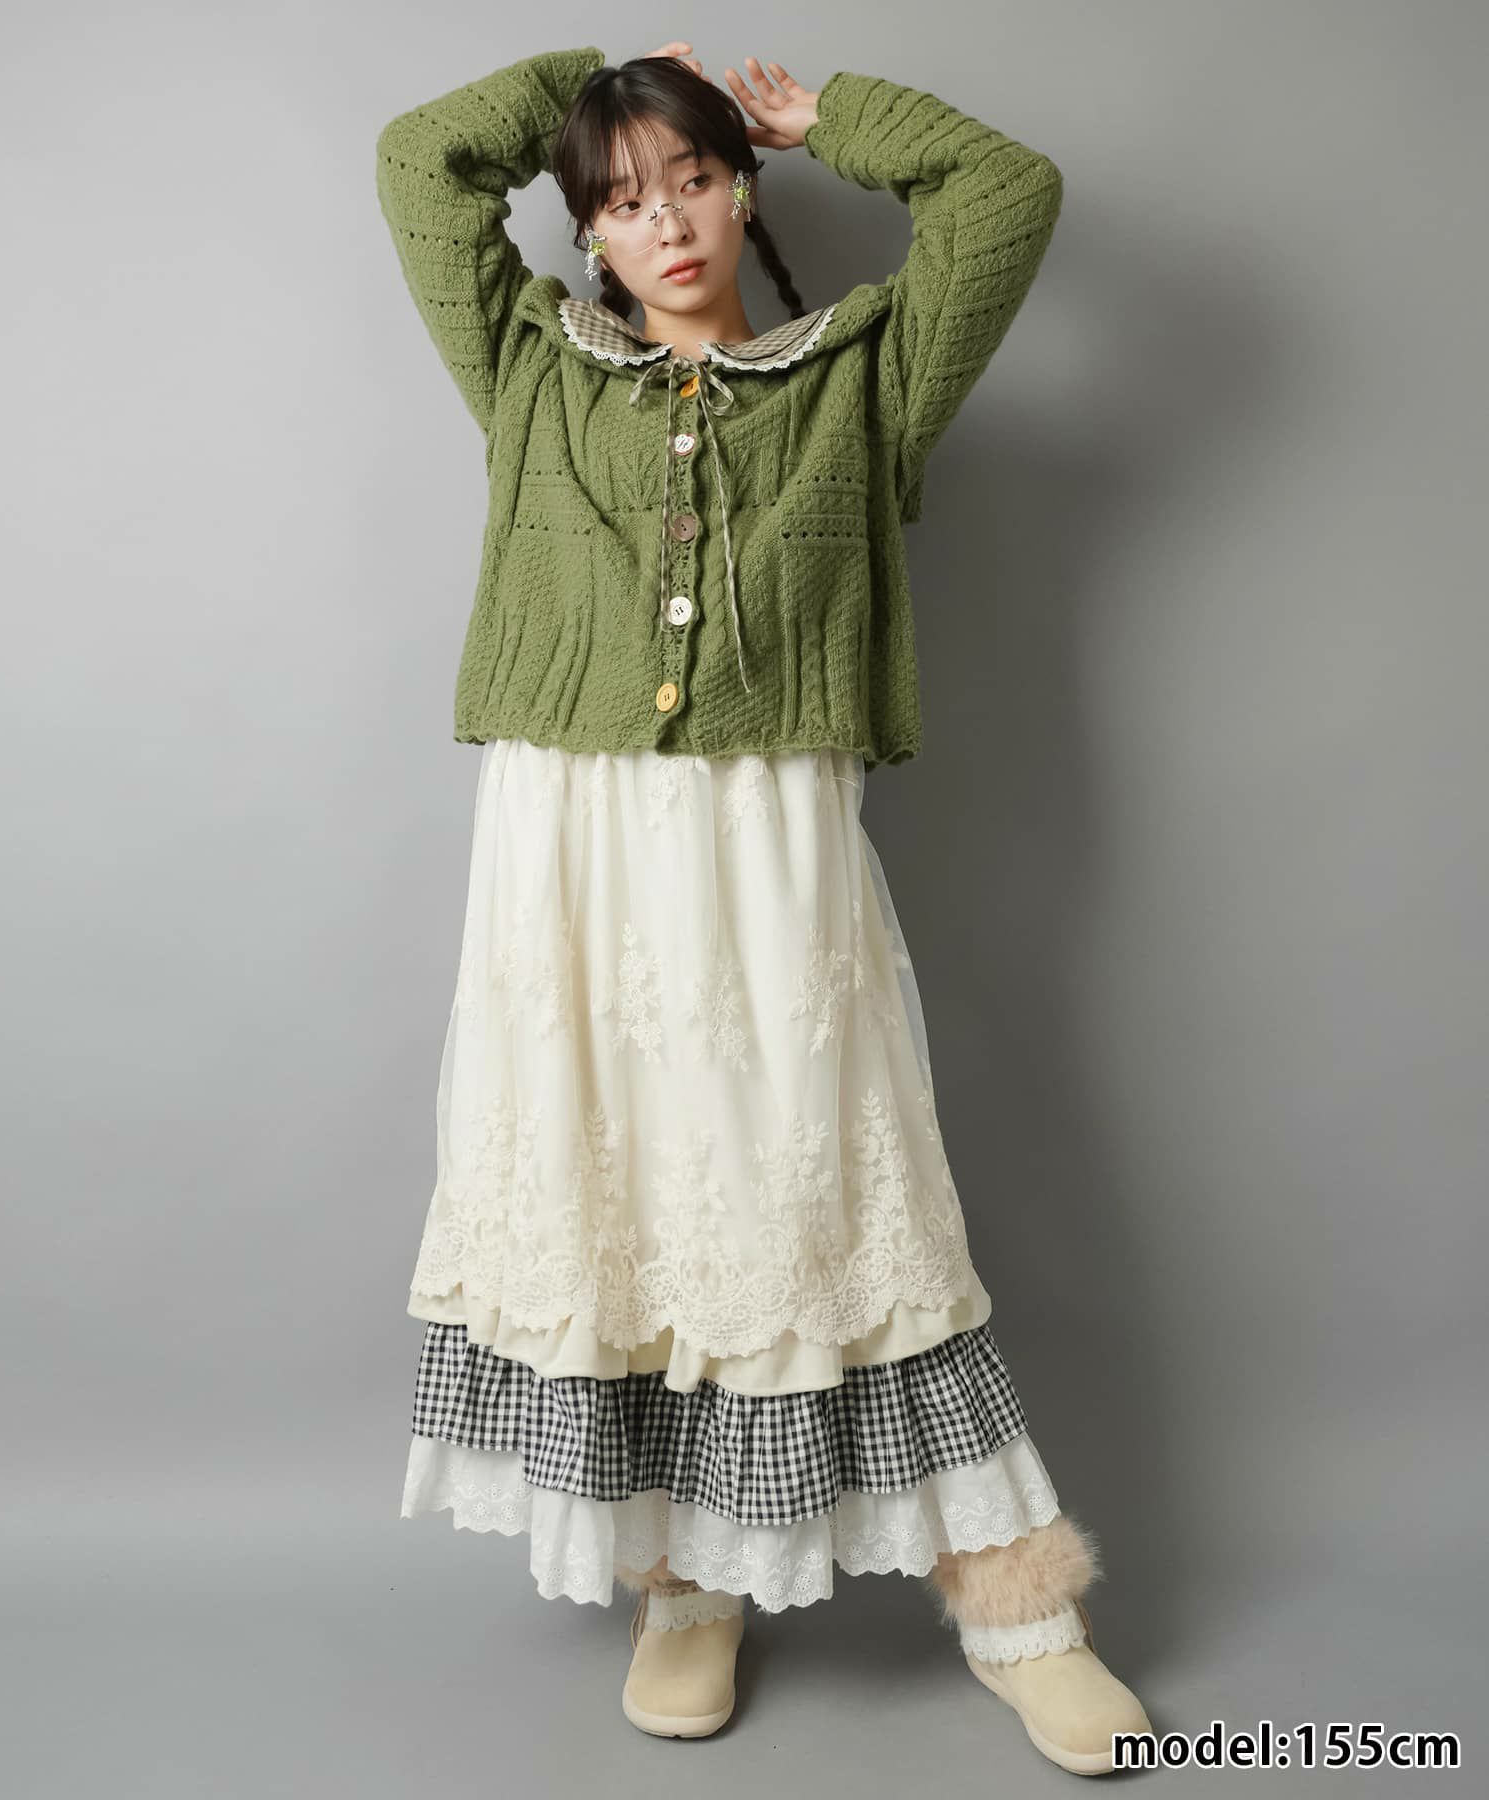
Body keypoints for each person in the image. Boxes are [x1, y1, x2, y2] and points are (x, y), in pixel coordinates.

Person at [376, 41, 1153, 1775]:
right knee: (625, 1199)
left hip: (770, 846)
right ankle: (687, 1585)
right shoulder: (528, 366)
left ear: (744, 190)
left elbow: (1005, 195)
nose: (665, 225)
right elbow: (423, 163)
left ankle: (1022, 1614)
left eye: (695, 180)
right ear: (588, 230)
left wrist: (823, 117)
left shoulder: (863, 382)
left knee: (829, 1195)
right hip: (565, 853)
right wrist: (590, 84)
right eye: (621, 200)